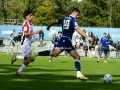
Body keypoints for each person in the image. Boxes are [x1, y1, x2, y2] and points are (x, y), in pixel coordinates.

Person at [34, 8, 93, 80]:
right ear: (74, 13)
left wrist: (49, 26)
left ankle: (79, 74)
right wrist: (87, 37)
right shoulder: (73, 20)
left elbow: (55, 21)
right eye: (77, 15)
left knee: (77, 57)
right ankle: (35, 54)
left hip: (67, 41)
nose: (78, 16)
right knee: (54, 53)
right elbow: (78, 30)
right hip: (66, 40)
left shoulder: (64, 18)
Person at [11, 10, 42, 76]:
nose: (32, 16)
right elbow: (25, 34)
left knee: (28, 59)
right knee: (30, 59)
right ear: (26, 17)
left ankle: (16, 57)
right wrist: (35, 32)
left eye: (31, 15)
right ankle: (18, 71)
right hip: (25, 44)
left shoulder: (29, 24)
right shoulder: (26, 24)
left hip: (27, 43)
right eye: (30, 15)